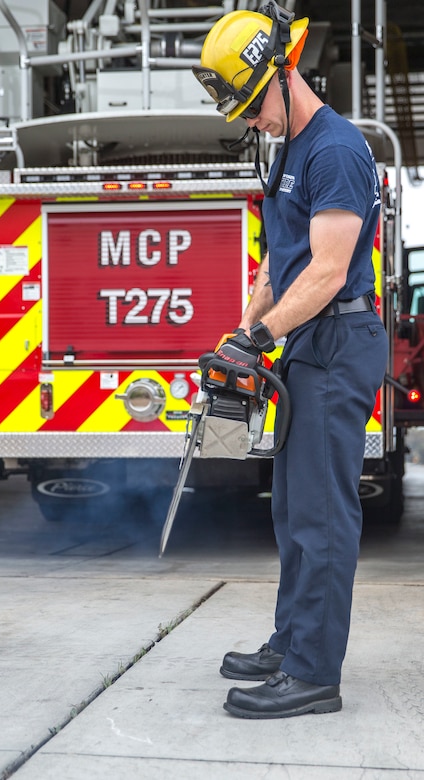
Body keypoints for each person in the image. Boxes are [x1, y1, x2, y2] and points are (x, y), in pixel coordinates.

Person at [193, 0, 389, 719]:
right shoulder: (287, 153)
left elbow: (329, 271)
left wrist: (263, 337)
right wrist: (240, 333)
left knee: (323, 516)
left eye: (253, 106)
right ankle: (291, 640)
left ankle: (313, 675)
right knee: (292, 511)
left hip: (337, 343)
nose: (251, 121)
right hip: (307, 345)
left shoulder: (335, 150)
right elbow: (281, 263)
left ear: (284, 72)